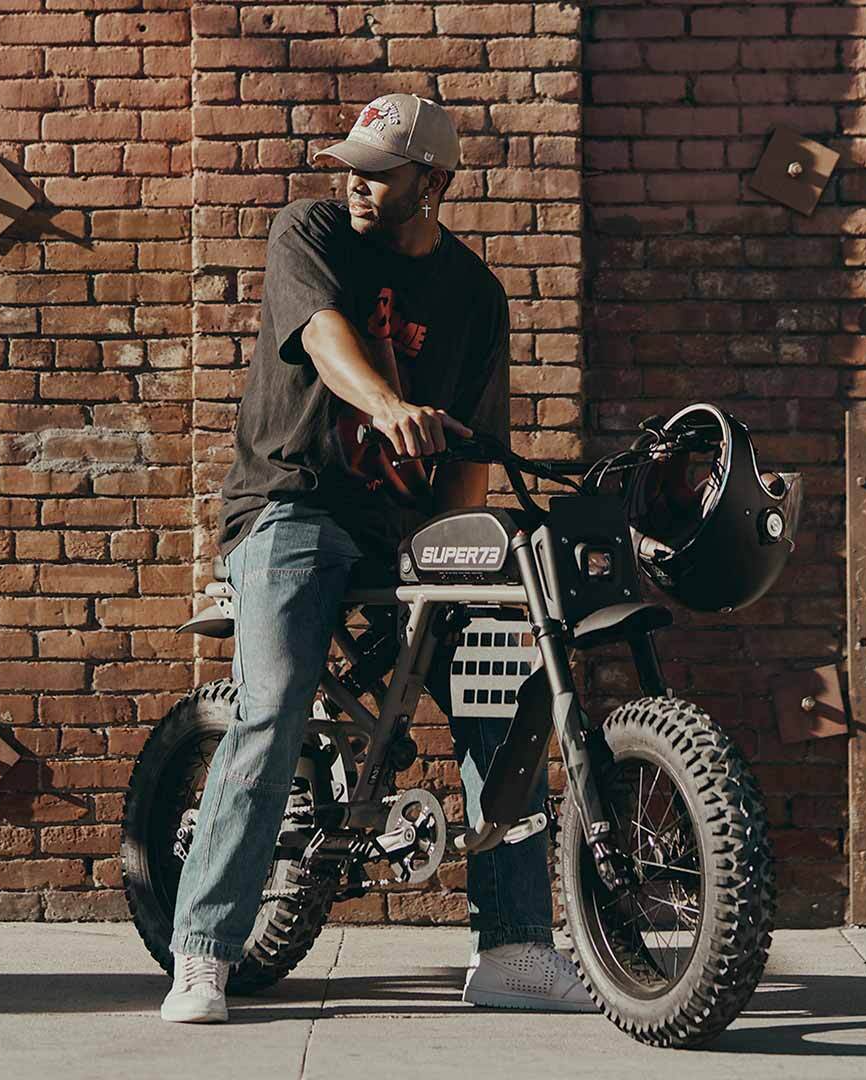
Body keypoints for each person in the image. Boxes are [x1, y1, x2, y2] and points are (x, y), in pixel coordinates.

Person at [160, 94, 596, 1024]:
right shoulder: (310, 230)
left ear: (433, 184)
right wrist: (385, 406)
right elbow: (325, 339)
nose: (355, 182)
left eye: (379, 170)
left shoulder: (476, 295)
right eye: (349, 164)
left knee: (500, 689)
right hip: (292, 506)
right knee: (272, 706)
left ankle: (514, 947)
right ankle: (202, 951)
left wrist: (465, 560)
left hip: (405, 535)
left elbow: (474, 455)